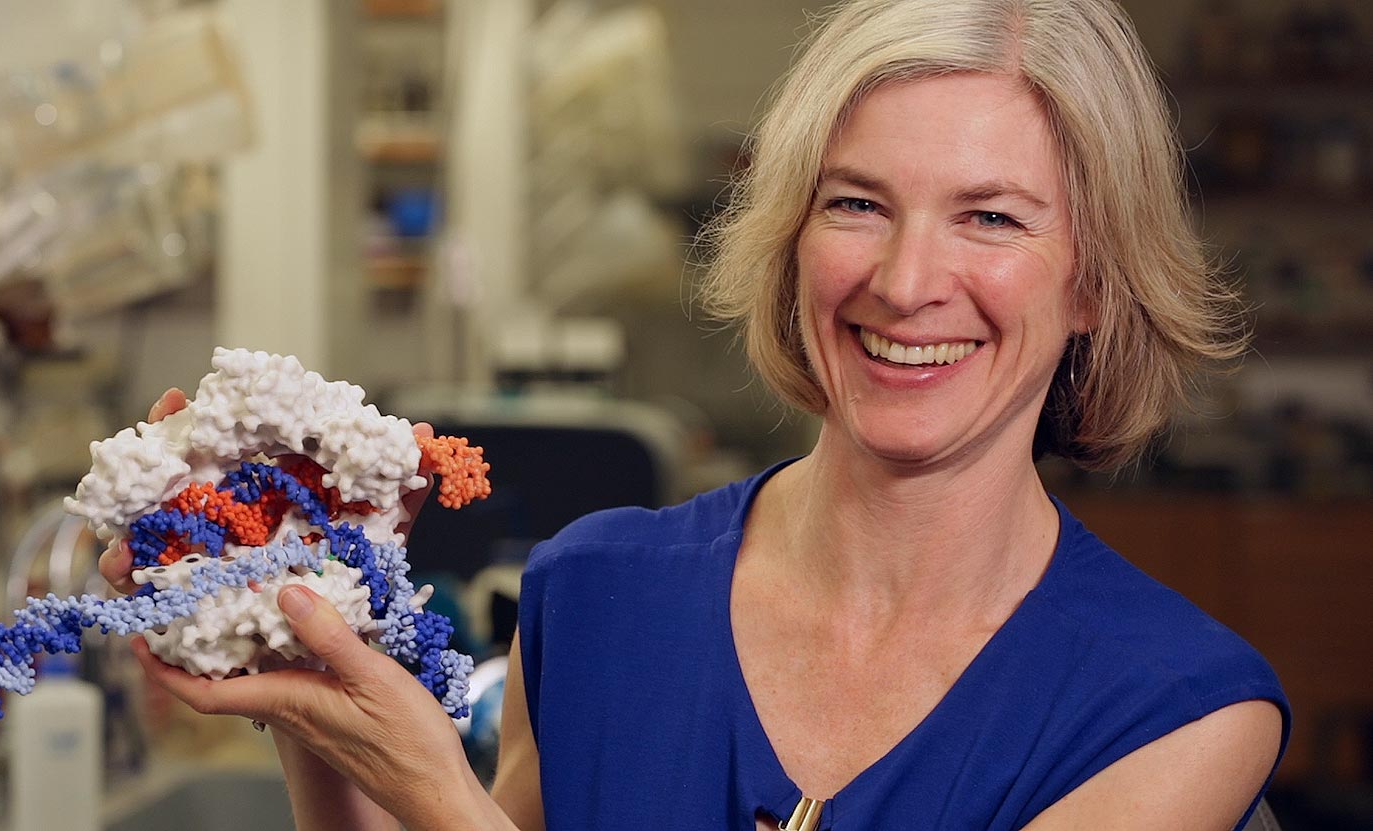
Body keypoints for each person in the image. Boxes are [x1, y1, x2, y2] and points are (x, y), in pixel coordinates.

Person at [99, 0, 1289, 828]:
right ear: (788, 240)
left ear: (1091, 279)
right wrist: (316, 654)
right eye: (858, 203)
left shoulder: (1175, 711)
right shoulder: (595, 595)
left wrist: (431, 792)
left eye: (991, 218)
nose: (905, 279)